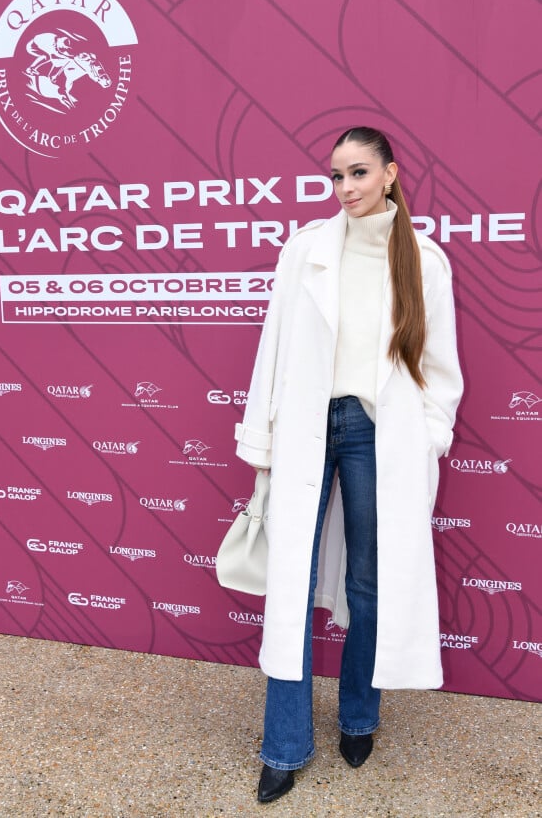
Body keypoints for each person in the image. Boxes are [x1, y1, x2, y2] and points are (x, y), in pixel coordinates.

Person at [234, 126, 464, 804]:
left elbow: (440, 368)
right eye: (336, 176)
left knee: (370, 583)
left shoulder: (424, 259)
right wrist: (265, 445)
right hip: (309, 424)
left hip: (378, 432)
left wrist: (429, 435)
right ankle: (283, 747)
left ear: (390, 174)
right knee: (289, 587)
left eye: (359, 173)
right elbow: (273, 351)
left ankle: (360, 716)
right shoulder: (304, 250)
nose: (346, 188)